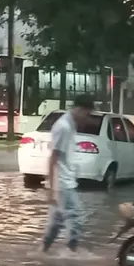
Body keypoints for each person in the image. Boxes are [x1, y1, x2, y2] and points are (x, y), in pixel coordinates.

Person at [42, 95, 96, 252]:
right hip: (63, 183)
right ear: (79, 109)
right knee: (77, 216)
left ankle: (43, 250)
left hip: (64, 181)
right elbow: (53, 158)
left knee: (57, 220)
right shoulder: (64, 127)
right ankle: (71, 253)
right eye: (87, 114)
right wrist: (52, 188)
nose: (87, 119)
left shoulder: (70, 125)